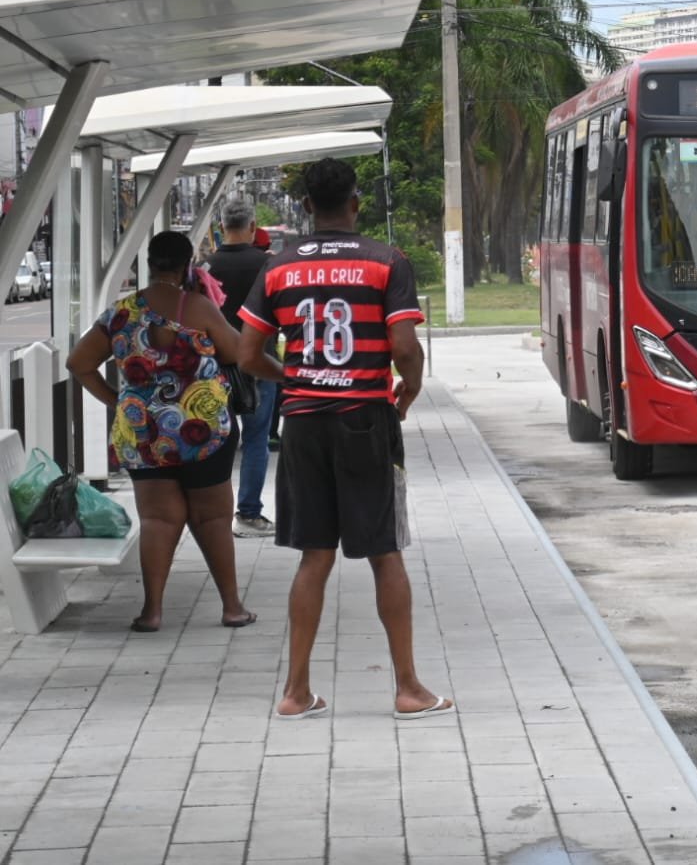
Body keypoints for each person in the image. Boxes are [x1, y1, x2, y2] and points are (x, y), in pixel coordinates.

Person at [238, 158, 451, 721]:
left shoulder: (277, 267)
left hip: (303, 422)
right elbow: (404, 347)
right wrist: (409, 389)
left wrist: (295, 378)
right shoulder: (386, 261)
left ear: (305, 207)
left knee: (315, 555)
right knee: (384, 552)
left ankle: (295, 691)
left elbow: (246, 354)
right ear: (357, 203)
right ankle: (407, 689)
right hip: (364, 418)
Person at [66, 231, 276, 632]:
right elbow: (237, 354)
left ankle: (152, 612)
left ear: (150, 263)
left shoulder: (121, 312)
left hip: (144, 435)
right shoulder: (198, 307)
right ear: (185, 266)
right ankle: (232, 608)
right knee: (213, 518)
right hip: (204, 432)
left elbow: (79, 363)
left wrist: (118, 400)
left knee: (159, 521)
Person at [203, 196, 277, 537]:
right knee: (256, 439)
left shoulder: (205, 269)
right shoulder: (270, 265)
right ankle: (247, 513)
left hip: (214, 368)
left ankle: (211, 516)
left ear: (220, 229)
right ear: (252, 227)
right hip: (261, 363)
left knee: (214, 440)